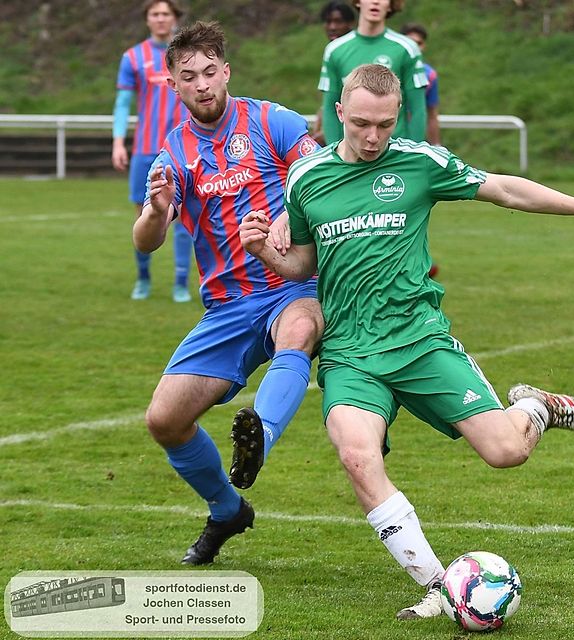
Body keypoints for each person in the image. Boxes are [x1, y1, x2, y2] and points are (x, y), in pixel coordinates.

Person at [240, 64, 574, 619]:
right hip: (352, 352)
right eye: (360, 124)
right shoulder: (306, 179)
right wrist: (265, 252)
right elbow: (305, 262)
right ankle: (437, 584)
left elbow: (503, 188)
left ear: (397, 116)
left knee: (506, 452)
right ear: (338, 114)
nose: (372, 136)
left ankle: (535, 407)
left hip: (420, 341)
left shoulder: (418, 164)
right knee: (356, 453)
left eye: (383, 123)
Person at [133, 21, 324, 566]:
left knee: (300, 330)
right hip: (228, 307)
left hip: (292, 283)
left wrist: (290, 213)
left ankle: (257, 436)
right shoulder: (172, 154)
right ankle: (226, 508)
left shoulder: (273, 121)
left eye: (209, 72)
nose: (202, 84)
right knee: (164, 420)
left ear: (226, 71)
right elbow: (146, 241)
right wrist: (154, 209)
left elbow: (322, 178)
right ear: (173, 84)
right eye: (188, 76)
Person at [113, 0, 194, 302]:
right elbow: (122, 104)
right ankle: (143, 278)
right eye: (155, 14)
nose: (160, 19)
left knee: (185, 214)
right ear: (148, 20)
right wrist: (118, 141)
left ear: (175, 18)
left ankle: (181, 282)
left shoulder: (187, 56)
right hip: (145, 150)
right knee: (144, 214)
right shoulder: (133, 57)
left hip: (184, 150)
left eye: (166, 14)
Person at [313, 0, 427, 145]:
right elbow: (330, 108)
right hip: (351, 155)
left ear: (390, 4)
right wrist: (336, 154)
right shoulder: (334, 50)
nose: (375, 2)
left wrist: (412, 154)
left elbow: (418, 108)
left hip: (394, 153)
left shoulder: (407, 49)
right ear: (358, 2)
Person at [311, 1, 358, 145]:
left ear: (350, 23)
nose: (332, 27)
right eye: (328, 22)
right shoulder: (332, 52)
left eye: (338, 22)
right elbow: (330, 99)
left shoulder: (354, 52)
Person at [399, 23, 441, 146]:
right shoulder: (388, 70)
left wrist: (437, 146)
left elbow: (431, 114)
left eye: (419, 43)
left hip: (413, 142)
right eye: (410, 42)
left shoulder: (430, 75)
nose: (414, 47)